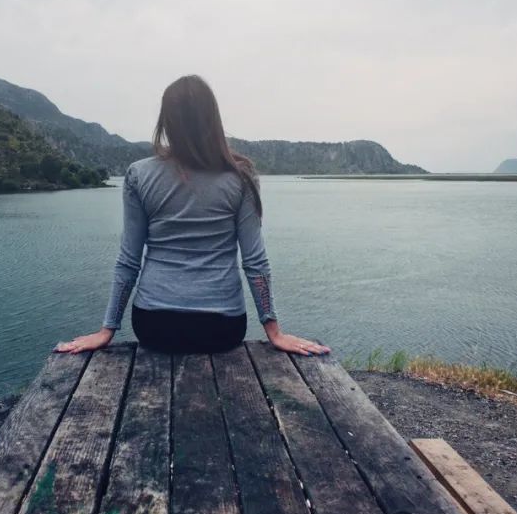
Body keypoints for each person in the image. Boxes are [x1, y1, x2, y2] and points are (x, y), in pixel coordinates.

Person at [54, 75, 330, 357]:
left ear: (166, 121)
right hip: (223, 329)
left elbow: (129, 259)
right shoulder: (241, 177)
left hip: (153, 325)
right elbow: (255, 261)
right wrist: (274, 331)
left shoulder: (139, 174)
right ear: (212, 119)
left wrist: (107, 329)